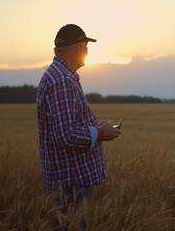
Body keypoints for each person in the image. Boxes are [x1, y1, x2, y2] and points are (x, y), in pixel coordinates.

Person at [36, 24, 121, 230]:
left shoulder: (59, 76)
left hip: (68, 177)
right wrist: (100, 133)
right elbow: (65, 135)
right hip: (71, 179)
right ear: (78, 48)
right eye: (85, 45)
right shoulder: (62, 81)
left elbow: (68, 126)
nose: (87, 51)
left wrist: (96, 128)